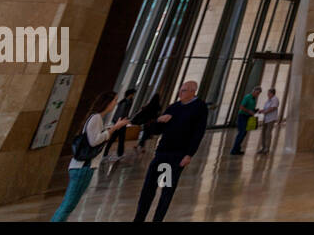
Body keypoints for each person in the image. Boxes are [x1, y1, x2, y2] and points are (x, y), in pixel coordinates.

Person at [133, 80, 208, 222]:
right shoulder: (174, 107)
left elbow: (199, 132)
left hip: (175, 156)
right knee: (148, 188)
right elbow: (157, 130)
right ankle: (139, 218)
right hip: (162, 153)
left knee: (166, 189)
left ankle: (158, 218)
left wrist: (189, 154)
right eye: (180, 89)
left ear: (193, 92)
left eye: (184, 90)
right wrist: (158, 121)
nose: (180, 92)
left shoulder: (199, 107)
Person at [51, 90, 130, 222]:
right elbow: (94, 141)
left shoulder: (96, 118)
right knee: (68, 205)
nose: (115, 104)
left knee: (69, 204)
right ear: (108, 102)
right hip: (83, 167)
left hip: (82, 167)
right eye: (114, 101)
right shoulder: (96, 118)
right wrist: (115, 128)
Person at [107, 87, 137, 161]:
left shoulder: (128, 101)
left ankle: (118, 153)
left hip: (121, 122)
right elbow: (120, 113)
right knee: (115, 138)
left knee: (120, 138)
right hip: (120, 123)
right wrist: (119, 123)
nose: (133, 96)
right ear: (130, 94)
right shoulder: (124, 102)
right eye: (133, 94)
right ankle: (110, 153)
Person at [230, 86, 261, 155]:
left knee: (244, 133)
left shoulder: (253, 99)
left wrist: (255, 110)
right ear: (254, 91)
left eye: (258, 94)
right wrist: (249, 111)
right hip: (242, 116)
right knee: (241, 132)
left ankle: (237, 149)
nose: (257, 95)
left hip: (248, 117)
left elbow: (251, 108)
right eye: (257, 93)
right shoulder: (247, 97)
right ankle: (234, 150)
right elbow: (241, 107)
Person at [257, 87, 280, 154]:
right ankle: (263, 147)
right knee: (264, 133)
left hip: (271, 119)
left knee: (268, 133)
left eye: (269, 93)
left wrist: (266, 111)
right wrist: (262, 111)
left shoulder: (275, 99)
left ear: (272, 93)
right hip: (266, 118)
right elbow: (267, 108)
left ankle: (267, 148)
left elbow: (273, 108)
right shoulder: (268, 100)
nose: (268, 94)